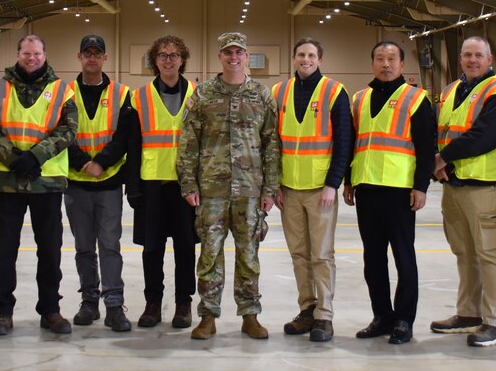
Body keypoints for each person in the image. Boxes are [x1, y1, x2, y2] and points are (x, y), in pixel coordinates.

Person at [177, 32, 281, 340]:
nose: (233, 57)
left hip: (250, 191)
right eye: (228, 52)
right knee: (209, 255)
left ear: (246, 56)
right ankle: (208, 316)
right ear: (220, 56)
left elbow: (271, 144)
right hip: (211, 190)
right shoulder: (203, 94)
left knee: (249, 255)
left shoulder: (261, 95)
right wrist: (188, 183)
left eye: (239, 52)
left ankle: (250, 316)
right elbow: (189, 141)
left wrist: (270, 189)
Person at [0, 34, 77, 337]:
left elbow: (68, 129)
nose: (31, 58)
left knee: (50, 251)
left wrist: (35, 157)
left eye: (36, 53)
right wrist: (13, 159)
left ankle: (50, 310)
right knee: (4, 250)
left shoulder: (62, 90)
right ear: (18, 54)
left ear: (44, 55)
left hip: (46, 182)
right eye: (26, 53)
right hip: (8, 182)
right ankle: (3, 312)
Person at [345, 40, 436, 345]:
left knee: (403, 258)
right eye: (380, 59)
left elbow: (426, 146)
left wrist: (421, 186)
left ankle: (404, 320)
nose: (386, 64)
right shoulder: (359, 98)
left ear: (402, 65)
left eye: (392, 59)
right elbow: (352, 142)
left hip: (400, 190)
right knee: (373, 260)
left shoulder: (415, 98)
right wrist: (349, 180)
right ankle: (382, 316)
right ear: (372, 63)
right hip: (366, 188)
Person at [432, 36, 496, 347]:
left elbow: (485, 135)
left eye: (478, 55)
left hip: (485, 186)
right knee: (464, 253)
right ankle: (468, 313)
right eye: (467, 54)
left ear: (490, 59)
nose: (472, 60)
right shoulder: (450, 91)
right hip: (453, 184)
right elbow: (439, 130)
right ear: (460, 58)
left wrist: (443, 158)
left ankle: (495, 322)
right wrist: (437, 162)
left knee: (489, 254)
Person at [272, 38, 353, 342]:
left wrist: (333, 182)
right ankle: (307, 308)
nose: (305, 59)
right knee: (299, 254)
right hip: (289, 189)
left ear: (320, 59)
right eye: (300, 54)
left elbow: (344, 141)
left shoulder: (334, 91)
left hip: (321, 189)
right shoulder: (279, 92)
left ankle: (324, 315)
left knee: (321, 254)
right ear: (294, 58)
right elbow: (272, 142)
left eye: (311, 55)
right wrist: (276, 184)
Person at [125, 36, 198, 329]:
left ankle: (184, 303)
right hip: (151, 184)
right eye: (163, 55)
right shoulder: (138, 97)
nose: (168, 60)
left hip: (186, 186)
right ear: (154, 61)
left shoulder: (198, 95)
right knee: (152, 249)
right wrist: (132, 187)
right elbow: (132, 145)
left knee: (186, 248)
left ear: (182, 59)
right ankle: (153, 303)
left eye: (174, 55)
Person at [65, 34, 137, 332]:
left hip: (108, 183)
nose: (92, 58)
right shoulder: (65, 92)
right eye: (87, 53)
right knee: (84, 247)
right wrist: (83, 162)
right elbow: (59, 132)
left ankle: (114, 305)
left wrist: (101, 163)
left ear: (105, 58)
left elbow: (124, 136)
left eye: (97, 53)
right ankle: (89, 301)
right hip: (76, 182)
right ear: (79, 57)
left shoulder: (122, 93)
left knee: (109, 245)